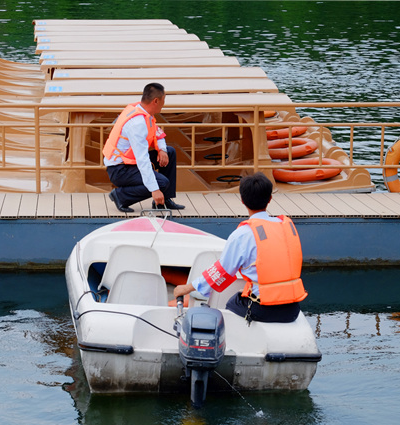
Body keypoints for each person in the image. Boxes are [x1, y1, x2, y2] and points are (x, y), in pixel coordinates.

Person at [174, 172, 307, 323]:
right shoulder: (287, 227)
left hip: (264, 310)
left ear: (242, 200)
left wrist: (186, 288)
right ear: (270, 199)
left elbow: (221, 271)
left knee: (231, 303)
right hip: (292, 309)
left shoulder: (243, 235)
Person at [103, 82, 185, 212]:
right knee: (161, 183)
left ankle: (163, 201)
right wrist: (155, 189)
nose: (164, 103)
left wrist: (162, 150)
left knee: (170, 152)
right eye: (164, 100)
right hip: (119, 170)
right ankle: (121, 196)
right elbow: (142, 160)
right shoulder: (137, 124)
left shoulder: (143, 111)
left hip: (130, 162)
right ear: (156, 101)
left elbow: (158, 133)